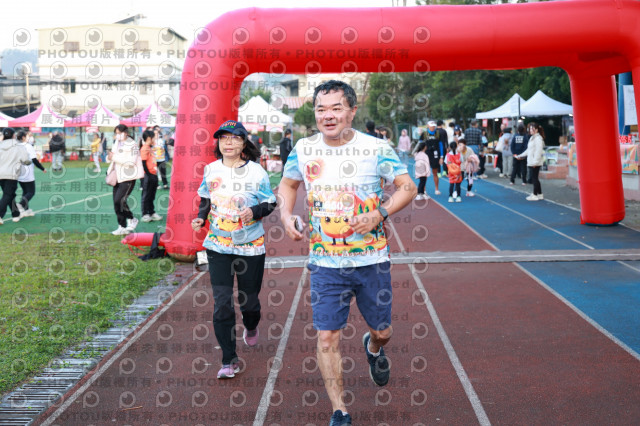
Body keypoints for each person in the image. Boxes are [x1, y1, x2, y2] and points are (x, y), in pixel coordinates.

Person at [280, 80, 416, 426]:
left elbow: (407, 187)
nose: (328, 116)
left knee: (383, 330)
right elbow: (289, 183)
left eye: (336, 108)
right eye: (321, 109)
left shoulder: (375, 148)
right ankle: (339, 410)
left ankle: (374, 347)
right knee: (327, 336)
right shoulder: (304, 149)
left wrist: (379, 214)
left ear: (352, 112)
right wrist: (285, 214)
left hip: (371, 260)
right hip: (325, 263)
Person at [191, 120, 276, 380]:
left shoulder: (256, 172)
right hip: (218, 245)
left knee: (249, 302)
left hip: (250, 246)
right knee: (222, 303)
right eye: (223, 138)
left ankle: (251, 325)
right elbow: (206, 198)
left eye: (234, 137)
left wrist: (254, 211)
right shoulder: (211, 170)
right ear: (218, 142)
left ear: (243, 143)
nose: (228, 142)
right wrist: (201, 217)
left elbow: (270, 202)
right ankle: (229, 360)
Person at [108, 124, 143, 235]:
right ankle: (121, 226)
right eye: (116, 133)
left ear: (126, 133)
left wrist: (114, 157)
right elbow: (112, 158)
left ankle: (131, 218)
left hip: (128, 176)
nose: (118, 135)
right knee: (116, 202)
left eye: (120, 133)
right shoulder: (116, 143)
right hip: (117, 176)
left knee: (120, 200)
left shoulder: (133, 145)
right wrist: (109, 158)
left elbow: (131, 162)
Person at [0, 128, 31, 225]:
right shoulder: (18, 146)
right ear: (13, 135)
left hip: (1, 174)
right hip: (11, 174)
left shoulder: (0, 145)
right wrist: (28, 162)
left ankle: (16, 214)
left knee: (10, 194)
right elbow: (26, 160)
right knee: (7, 195)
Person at [13, 131, 46, 218]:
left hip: (19, 172)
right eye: (26, 136)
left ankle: (26, 210)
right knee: (31, 192)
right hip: (27, 172)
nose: (28, 137)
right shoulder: (28, 146)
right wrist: (42, 168)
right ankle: (20, 204)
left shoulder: (16, 146)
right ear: (23, 137)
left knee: (25, 192)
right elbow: (34, 160)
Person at [515, 122, 545, 201]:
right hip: (532, 161)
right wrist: (520, 156)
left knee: (534, 178)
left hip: (535, 162)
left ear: (536, 129)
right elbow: (528, 150)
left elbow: (538, 151)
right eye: (530, 128)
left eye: (532, 128)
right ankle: (539, 194)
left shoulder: (538, 138)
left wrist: (535, 162)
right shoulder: (533, 138)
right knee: (535, 178)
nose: (530, 130)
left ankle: (535, 195)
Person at [140, 130, 162, 223]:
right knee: (146, 195)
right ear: (149, 138)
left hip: (153, 174)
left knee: (151, 195)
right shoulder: (145, 148)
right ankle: (145, 214)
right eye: (153, 137)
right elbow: (143, 162)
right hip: (148, 176)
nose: (154, 139)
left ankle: (151, 212)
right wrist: (149, 174)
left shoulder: (149, 148)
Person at [421, 121, 443, 195]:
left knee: (435, 172)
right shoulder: (424, 134)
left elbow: (441, 145)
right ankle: (424, 190)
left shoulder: (438, 133)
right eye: (431, 126)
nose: (432, 127)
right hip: (426, 155)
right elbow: (420, 144)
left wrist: (441, 157)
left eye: (434, 126)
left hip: (435, 155)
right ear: (428, 126)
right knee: (424, 173)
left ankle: (436, 189)